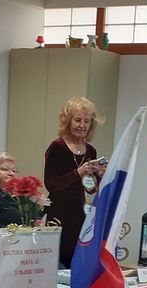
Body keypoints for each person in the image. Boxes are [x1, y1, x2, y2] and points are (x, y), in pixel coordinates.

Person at [43, 96, 106, 268]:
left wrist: (100, 175)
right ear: (67, 121)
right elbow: (51, 184)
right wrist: (78, 172)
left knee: (76, 260)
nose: (82, 125)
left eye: (87, 121)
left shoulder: (91, 150)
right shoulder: (57, 147)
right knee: (56, 261)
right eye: (77, 120)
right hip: (58, 212)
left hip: (79, 213)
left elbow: (90, 189)